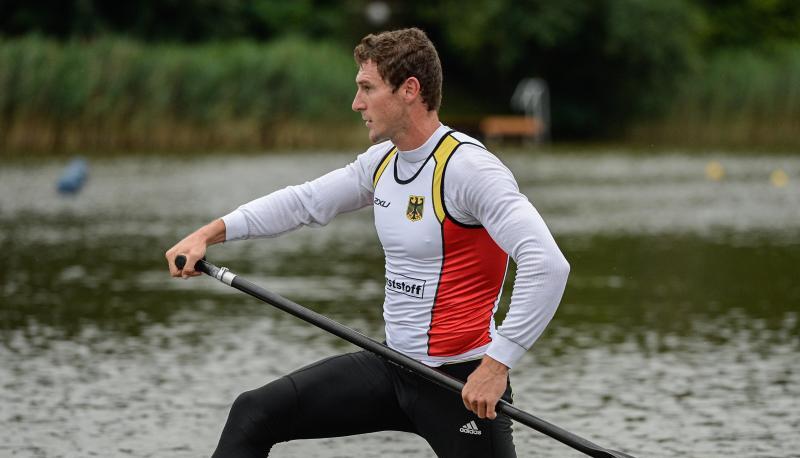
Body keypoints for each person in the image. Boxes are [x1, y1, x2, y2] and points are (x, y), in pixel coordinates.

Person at [166, 27, 569, 458]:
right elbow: (304, 202)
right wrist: (208, 233)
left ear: (409, 90)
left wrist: (497, 366)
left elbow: (547, 265)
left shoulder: (469, 170)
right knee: (254, 412)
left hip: (463, 383)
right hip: (392, 367)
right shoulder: (381, 162)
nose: (356, 103)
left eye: (366, 88)